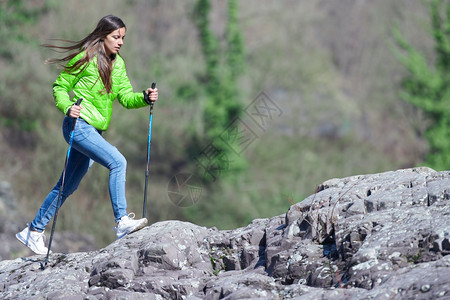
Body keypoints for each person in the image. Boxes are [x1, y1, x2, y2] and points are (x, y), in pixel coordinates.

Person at [16, 15, 158, 255]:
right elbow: (60, 87)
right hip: (78, 125)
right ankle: (122, 221)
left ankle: (33, 230)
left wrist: (144, 97)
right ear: (102, 35)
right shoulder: (85, 58)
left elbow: (125, 97)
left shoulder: (118, 64)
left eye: (123, 37)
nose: (120, 42)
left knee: (67, 185)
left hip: (94, 130)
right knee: (118, 162)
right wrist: (68, 107)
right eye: (116, 37)